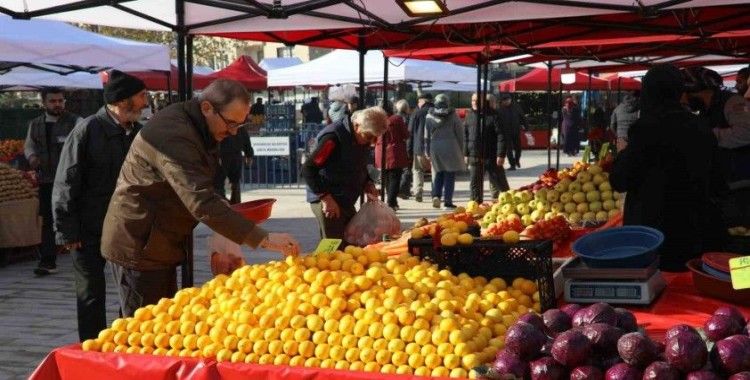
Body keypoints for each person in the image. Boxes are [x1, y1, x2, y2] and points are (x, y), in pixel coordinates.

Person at [100, 79, 300, 317]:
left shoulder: (199, 126)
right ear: (207, 108)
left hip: (161, 242)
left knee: (164, 322)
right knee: (142, 328)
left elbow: (206, 184)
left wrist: (225, 224)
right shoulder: (174, 135)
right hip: (139, 244)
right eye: (230, 123)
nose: (234, 132)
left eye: (240, 125)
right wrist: (264, 239)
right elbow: (200, 200)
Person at [52, 70, 147, 340]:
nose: (145, 101)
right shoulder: (87, 130)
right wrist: (67, 232)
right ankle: (91, 349)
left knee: (130, 293)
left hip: (126, 229)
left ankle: (125, 344)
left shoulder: (139, 134)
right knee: (90, 295)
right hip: (87, 230)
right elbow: (65, 184)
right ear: (124, 100)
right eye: (141, 96)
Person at [610, 64, 725, 272]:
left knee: (662, 294)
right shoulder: (700, 126)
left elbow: (619, 180)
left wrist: (623, 154)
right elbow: (718, 180)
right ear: (678, 91)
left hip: (653, 238)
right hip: (694, 233)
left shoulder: (645, 129)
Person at [302, 107, 387, 243]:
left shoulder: (361, 137)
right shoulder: (333, 138)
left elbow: (359, 166)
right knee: (334, 247)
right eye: (369, 136)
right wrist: (326, 198)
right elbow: (308, 169)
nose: (372, 142)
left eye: (375, 138)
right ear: (357, 126)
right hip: (328, 198)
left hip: (345, 199)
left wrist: (367, 183)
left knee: (351, 242)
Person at [682, 66, 750, 225]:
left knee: (739, 229)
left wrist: (707, 135)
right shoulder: (706, 109)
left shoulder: (732, 102)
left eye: (687, 94)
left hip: (741, 184)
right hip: (724, 184)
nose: (685, 100)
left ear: (697, 90)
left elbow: (746, 133)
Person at [24, 87, 81, 276]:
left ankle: (81, 259)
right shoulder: (36, 124)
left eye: (60, 101)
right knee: (48, 221)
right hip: (47, 180)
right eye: (53, 101)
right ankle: (47, 261)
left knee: (73, 217)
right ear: (44, 103)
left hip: (70, 182)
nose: (57, 104)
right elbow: (29, 146)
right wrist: (32, 157)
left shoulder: (76, 122)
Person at [464, 93, 509, 203]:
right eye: (473, 100)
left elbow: (501, 136)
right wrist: (466, 153)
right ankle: (476, 205)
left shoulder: (494, 115)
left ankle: (508, 202)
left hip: (491, 155)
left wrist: (501, 154)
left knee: (500, 182)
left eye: (477, 100)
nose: (474, 102)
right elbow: (465, 136)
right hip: (475, 155)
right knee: (475, 183)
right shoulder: (469, 115)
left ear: (484, 102)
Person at [424, 94, 465, 209]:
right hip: (451, 146)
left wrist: (427, 152)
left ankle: (436, 195)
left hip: (435, 147)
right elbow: (460, 134)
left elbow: (426, 136)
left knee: (438, 172)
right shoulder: (453, 115)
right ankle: (448, 201)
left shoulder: (429, 116)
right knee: (450, 174)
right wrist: (461, 150)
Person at [375, 100, 410, 211]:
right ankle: (391, 202)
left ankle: (392, 201)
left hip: (380, 150)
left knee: (386, 177)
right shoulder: (397, 119)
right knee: (395, 178)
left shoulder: (376, 120)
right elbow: (406, 134)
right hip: (395, 151)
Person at [214, 125, 253, 204]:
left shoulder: (223, 122)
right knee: (233, 181)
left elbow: (245, 138)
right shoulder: (238, 123)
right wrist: (249, 154)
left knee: (220, 182)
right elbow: (246, 138)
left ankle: (223, 204)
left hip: (224, 155)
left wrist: (249, 154)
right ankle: (233, 203)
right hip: (232, 154)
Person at [407, 93, 434, 203]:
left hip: (419, 147)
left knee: (418, 170)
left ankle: (418, 191)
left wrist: (408, 149)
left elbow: (410, 133)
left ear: (422, 101)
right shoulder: (436, 112)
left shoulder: (416, 113)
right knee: (435, 171)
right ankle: (435, 193)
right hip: (434, 147)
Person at [497, 93, 528, 170]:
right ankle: (512, 165)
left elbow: (522, 117)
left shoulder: (516, 107)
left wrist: (526, 127)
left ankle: (517, 160)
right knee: (508, 149)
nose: (507, 101)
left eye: (508, 100)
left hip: (515, 130)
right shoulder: (499, 109)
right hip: (505, 132)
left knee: (518, 148)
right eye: (505, 100)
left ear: (510, 100)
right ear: (502, 101)